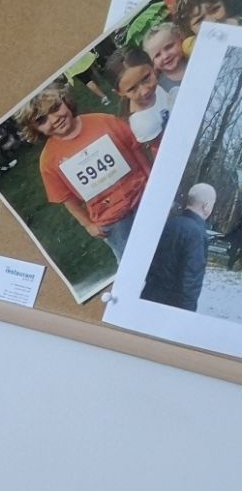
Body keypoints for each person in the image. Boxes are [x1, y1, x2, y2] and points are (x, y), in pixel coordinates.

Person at [17, 85, 153, 258]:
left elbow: (135, 149)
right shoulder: (48, 161)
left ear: (65, 101)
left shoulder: (104, 121)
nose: (54, 119)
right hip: (112, 219)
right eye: (41, 120)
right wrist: (88, 224)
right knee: (133, 260)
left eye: (55, 108)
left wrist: (151, 177)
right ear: (33, 128)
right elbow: (66, 198)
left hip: (144, 195)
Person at [143, 183, 216, 308]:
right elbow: (190, 281)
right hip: (172, 305)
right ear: (206, 206)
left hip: (149, 296)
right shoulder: (197, 234)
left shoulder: (169, 224)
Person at [106, 46, 171, 149]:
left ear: (152, 65)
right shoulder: (143, 125)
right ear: (120, 93)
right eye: (132, 89)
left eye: (146, 78)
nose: (145, 91)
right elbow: (161, 148)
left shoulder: (165, 80)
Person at [144, 21, 192, 93]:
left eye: (169, 47)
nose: (165, 56)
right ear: (152, 62)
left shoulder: (195, 59)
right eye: (157, 55)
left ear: (180, 38)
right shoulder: (159, 87)